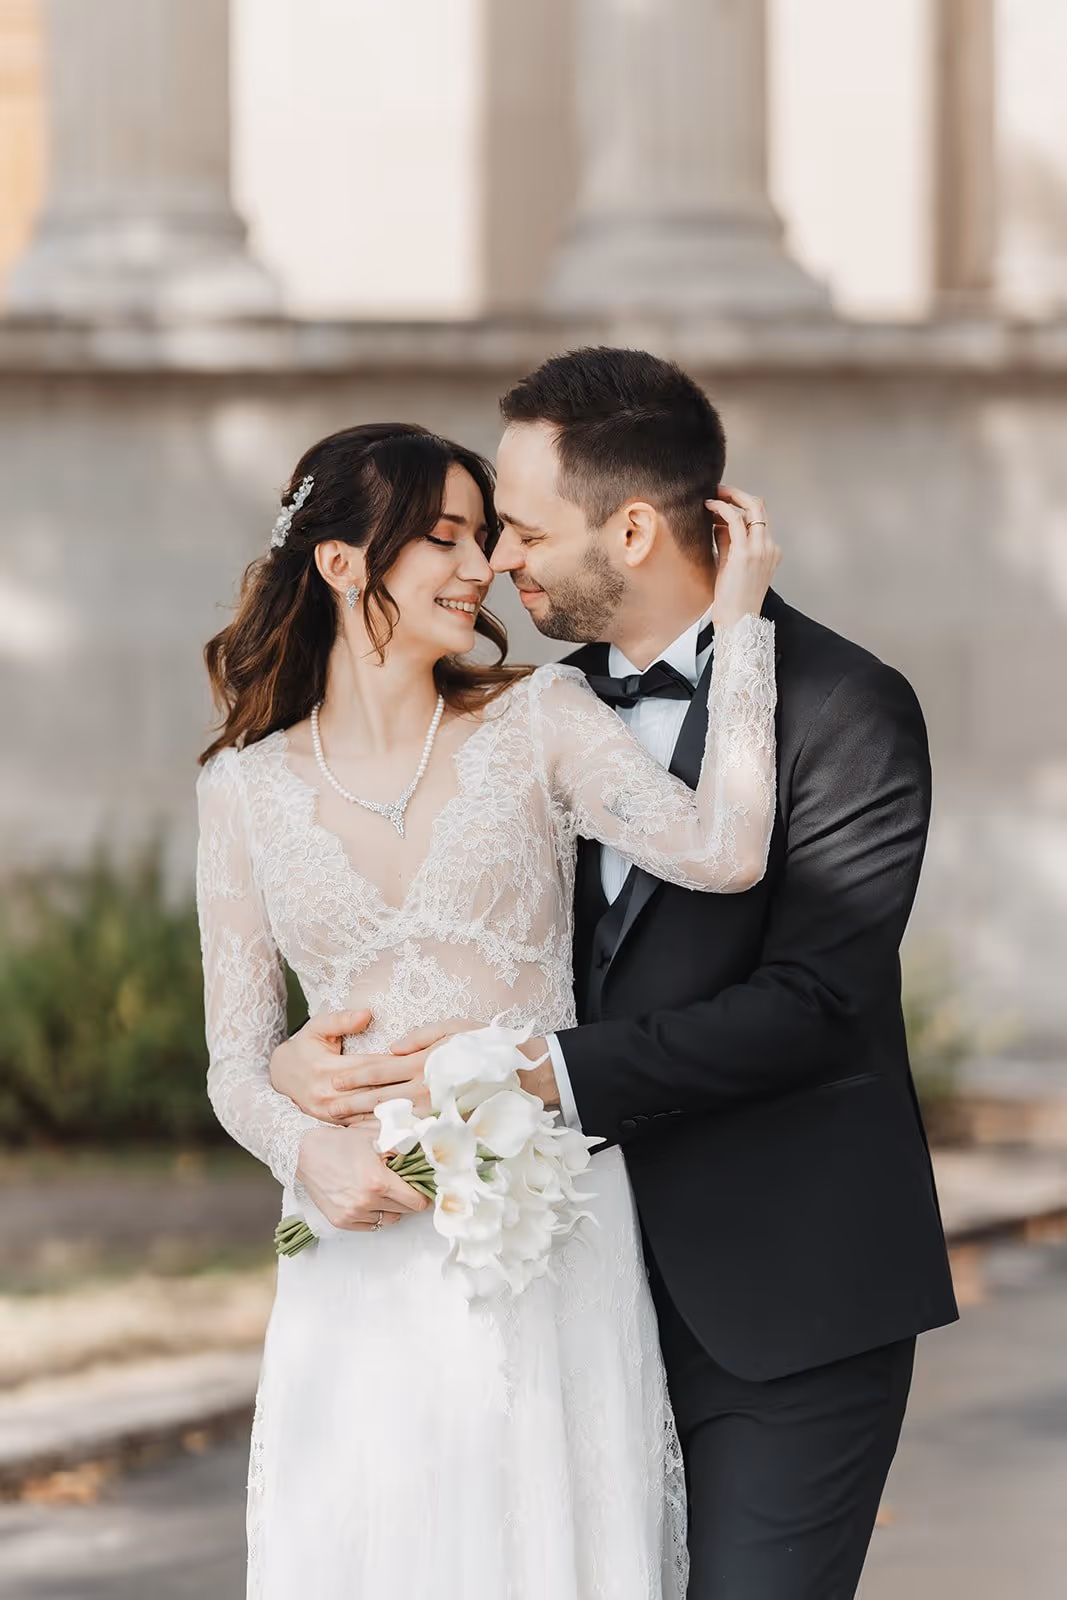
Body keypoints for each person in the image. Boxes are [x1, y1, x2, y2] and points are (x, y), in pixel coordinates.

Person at [275, 350, 959, 1599]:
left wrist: (544, 1072)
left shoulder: (844, 707)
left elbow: (814, 1007)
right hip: (556, 1307)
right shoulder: (524, 716)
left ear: (631, 530)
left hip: (778, 1306)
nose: (497, 564)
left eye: (524, 530)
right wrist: (296, 1067)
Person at [197, 418, 779, 1599]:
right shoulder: (241, 792)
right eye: (446, 537)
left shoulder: (537, 721)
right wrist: (307, 1150)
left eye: (485, 536)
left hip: (544, 1237)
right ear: (342, 562)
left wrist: (740, 627)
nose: (483, 567)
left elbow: (724, 850)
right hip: (358, 1248)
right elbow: (233, 1061)